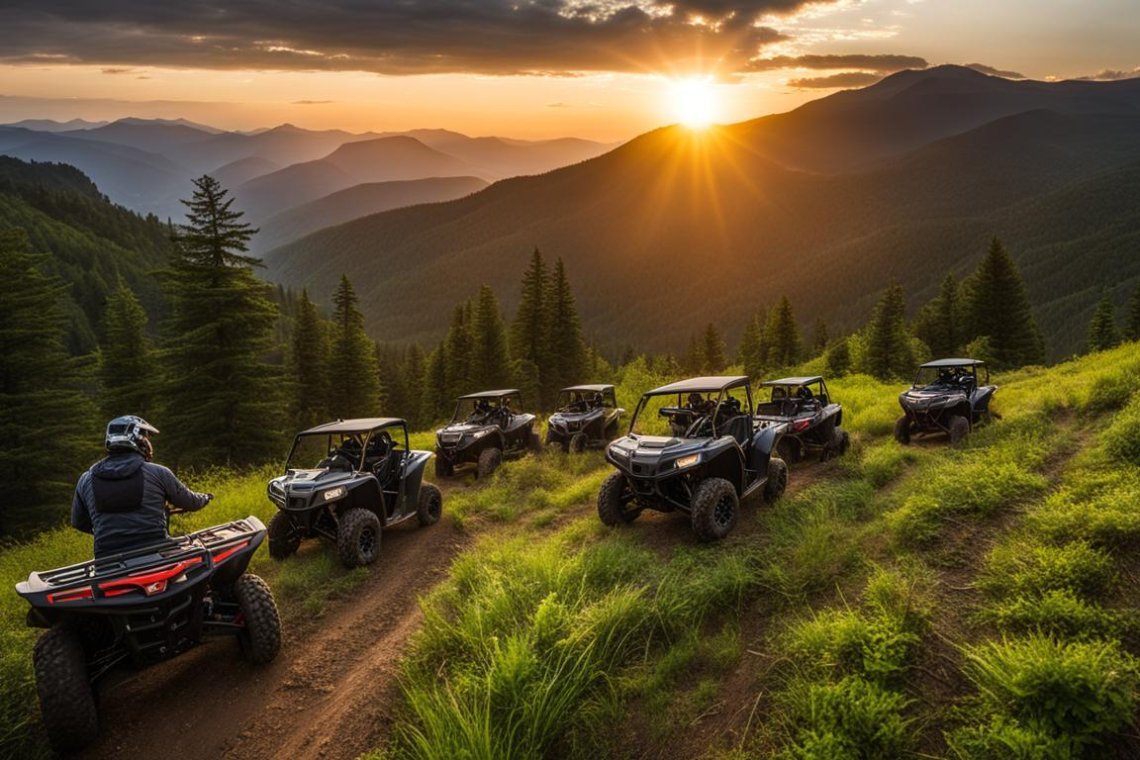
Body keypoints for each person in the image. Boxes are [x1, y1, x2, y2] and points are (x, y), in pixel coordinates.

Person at [72, 416, 213, 558]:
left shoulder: (86, 479)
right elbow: (191, 502)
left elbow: (78, 522)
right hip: (157, 555)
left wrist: (110, 532)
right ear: (140, 441)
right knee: (206, 555)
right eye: (147, 438)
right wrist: (205, 498)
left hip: (107, 562)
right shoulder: (158, 472)